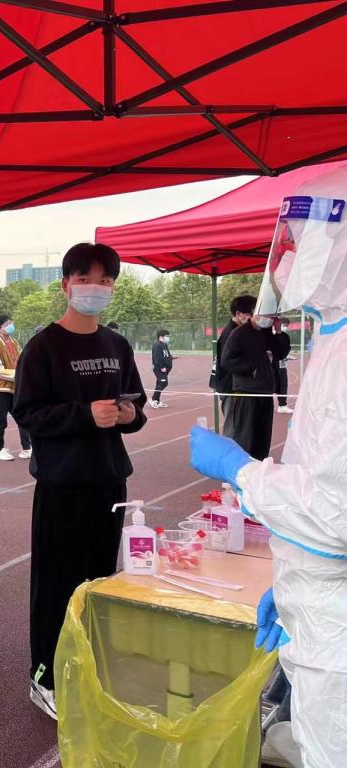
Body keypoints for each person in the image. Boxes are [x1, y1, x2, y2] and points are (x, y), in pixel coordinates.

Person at [191, 167, 347, 768]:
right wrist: (291, 587)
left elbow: (334, 512)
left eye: (297, 239)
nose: (281, 258)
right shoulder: (331, 338)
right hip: (321, 601)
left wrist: (241, 471)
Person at [13, 243, 147, 720]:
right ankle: (45, 676)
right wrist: (84, 414)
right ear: (66, 284)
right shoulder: (43, 347)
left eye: (106, 281)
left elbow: (137, 408)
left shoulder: (117, 345)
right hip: (62, 484)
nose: (97, 288)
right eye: (87, 279)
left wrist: (129, 415)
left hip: (109, 482)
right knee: (56, 586)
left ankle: (87, 666)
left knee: (98, 583)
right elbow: (27, 414)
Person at [220, 300, 291, 461]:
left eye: (271, 316)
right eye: (266, 315)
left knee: (262, 439)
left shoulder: (266, 333)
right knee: (245, 439)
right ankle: (241, 470)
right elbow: (227, 361)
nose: (268, 319)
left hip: (265, 393)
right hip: (247, 394)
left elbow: (280, 352)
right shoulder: (239, 333)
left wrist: (278, 331)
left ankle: (259, 468)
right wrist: (252, 368)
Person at [0, 314, 31, 461]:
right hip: (0, 387)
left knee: (22, 416)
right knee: (0, 419)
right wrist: (17, 375)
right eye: (6, 324)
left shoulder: (14, 343)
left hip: (14, 386)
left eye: (10, 323)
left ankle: (27, 448)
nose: (10, 325)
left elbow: (20, 361)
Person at [210, 295, 255, 409]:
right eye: (249, 314)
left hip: (235, 386)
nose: (252, 317)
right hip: (231, 388)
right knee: (235, 419)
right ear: (238, 313)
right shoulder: (232, 333)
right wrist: (253, 367)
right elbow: (228, 362)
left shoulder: (240, 330)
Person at [272, 318, 294, 414]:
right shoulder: (268, 335)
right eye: (284, 325)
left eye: (286, 325)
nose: (285, 327)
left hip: (281, 364)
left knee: (282, 384)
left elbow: (285, 350)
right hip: (270, 365)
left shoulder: (285, 336)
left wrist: (285, 356)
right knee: (272, 384)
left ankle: (282, 405)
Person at [150, 328, 173, 409]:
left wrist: (171, 357)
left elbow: (165, 355)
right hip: (159, 369)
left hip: (166, 368)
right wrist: (161, 367)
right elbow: (157, 358)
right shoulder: (157, 345)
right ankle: (154, 399)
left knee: (159, 384)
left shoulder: (164, 345)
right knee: (164, 383)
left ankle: (157, 401)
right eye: (167, 336)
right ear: (161, 336)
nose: (168, 338)